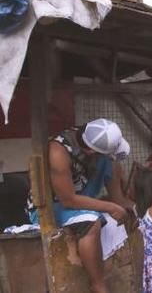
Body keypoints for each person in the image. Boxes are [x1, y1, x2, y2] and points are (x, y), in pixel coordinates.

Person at [30, 118, 134, 293]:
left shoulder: (93, 135)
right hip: (55, 205)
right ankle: (98, 284)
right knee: (91, 223)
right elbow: (68, 200)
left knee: (110, 164)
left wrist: (124, 206)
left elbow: (117, 198)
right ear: (89, 150)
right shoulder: (58, 151)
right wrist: (110, 207)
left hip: (82, 197)